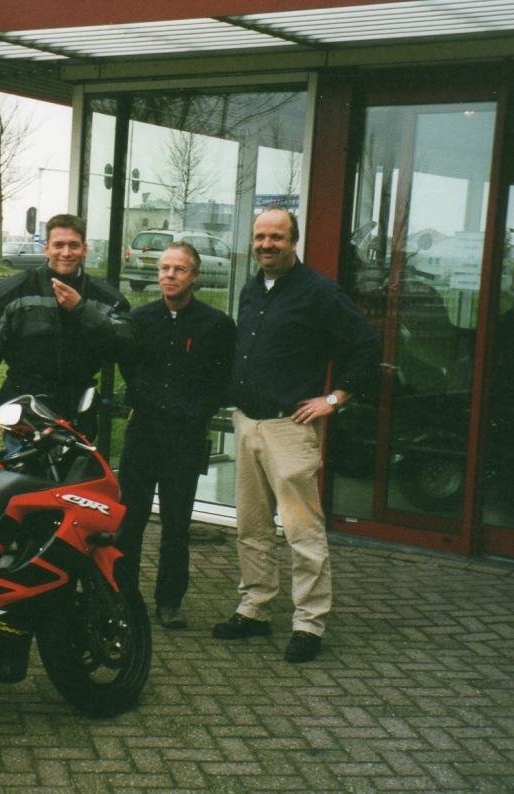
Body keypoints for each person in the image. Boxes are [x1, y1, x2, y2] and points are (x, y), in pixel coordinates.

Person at [213, 208, 380, 663]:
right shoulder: (252, 288)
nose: (267, 245)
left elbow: (366, 344)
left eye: (277, 237)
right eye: (260, 237)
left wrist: (334, 399)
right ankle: (254, 608)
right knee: (251, 527)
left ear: (294, 241)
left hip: (290, 428)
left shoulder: (319, 293)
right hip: (248, 423)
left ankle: (309, 624)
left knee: (302, 532)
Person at [116, 241, 235, 629]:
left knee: (176, 524)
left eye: (179, 269)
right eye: (164, 268)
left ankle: (169, 602)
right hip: (143, 433)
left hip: (185, 438)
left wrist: (193, 412)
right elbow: (130, 370)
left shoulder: (216, 325)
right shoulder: (140, 320)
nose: (169, 275)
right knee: (129, 522)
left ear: (194, 276)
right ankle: (123, 598)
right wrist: (151, 403)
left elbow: (221, 380)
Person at [0, 213, 131, 441]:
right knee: (22, 465)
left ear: (84, 249)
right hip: (23, 411)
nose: (66, 252)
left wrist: (82, 309)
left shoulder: (106, 297)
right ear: (46, 249)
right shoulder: (14, 291)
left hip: (78, 411)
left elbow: (125, 343)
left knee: (76, 466)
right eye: (58, 245)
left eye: (74, 245)